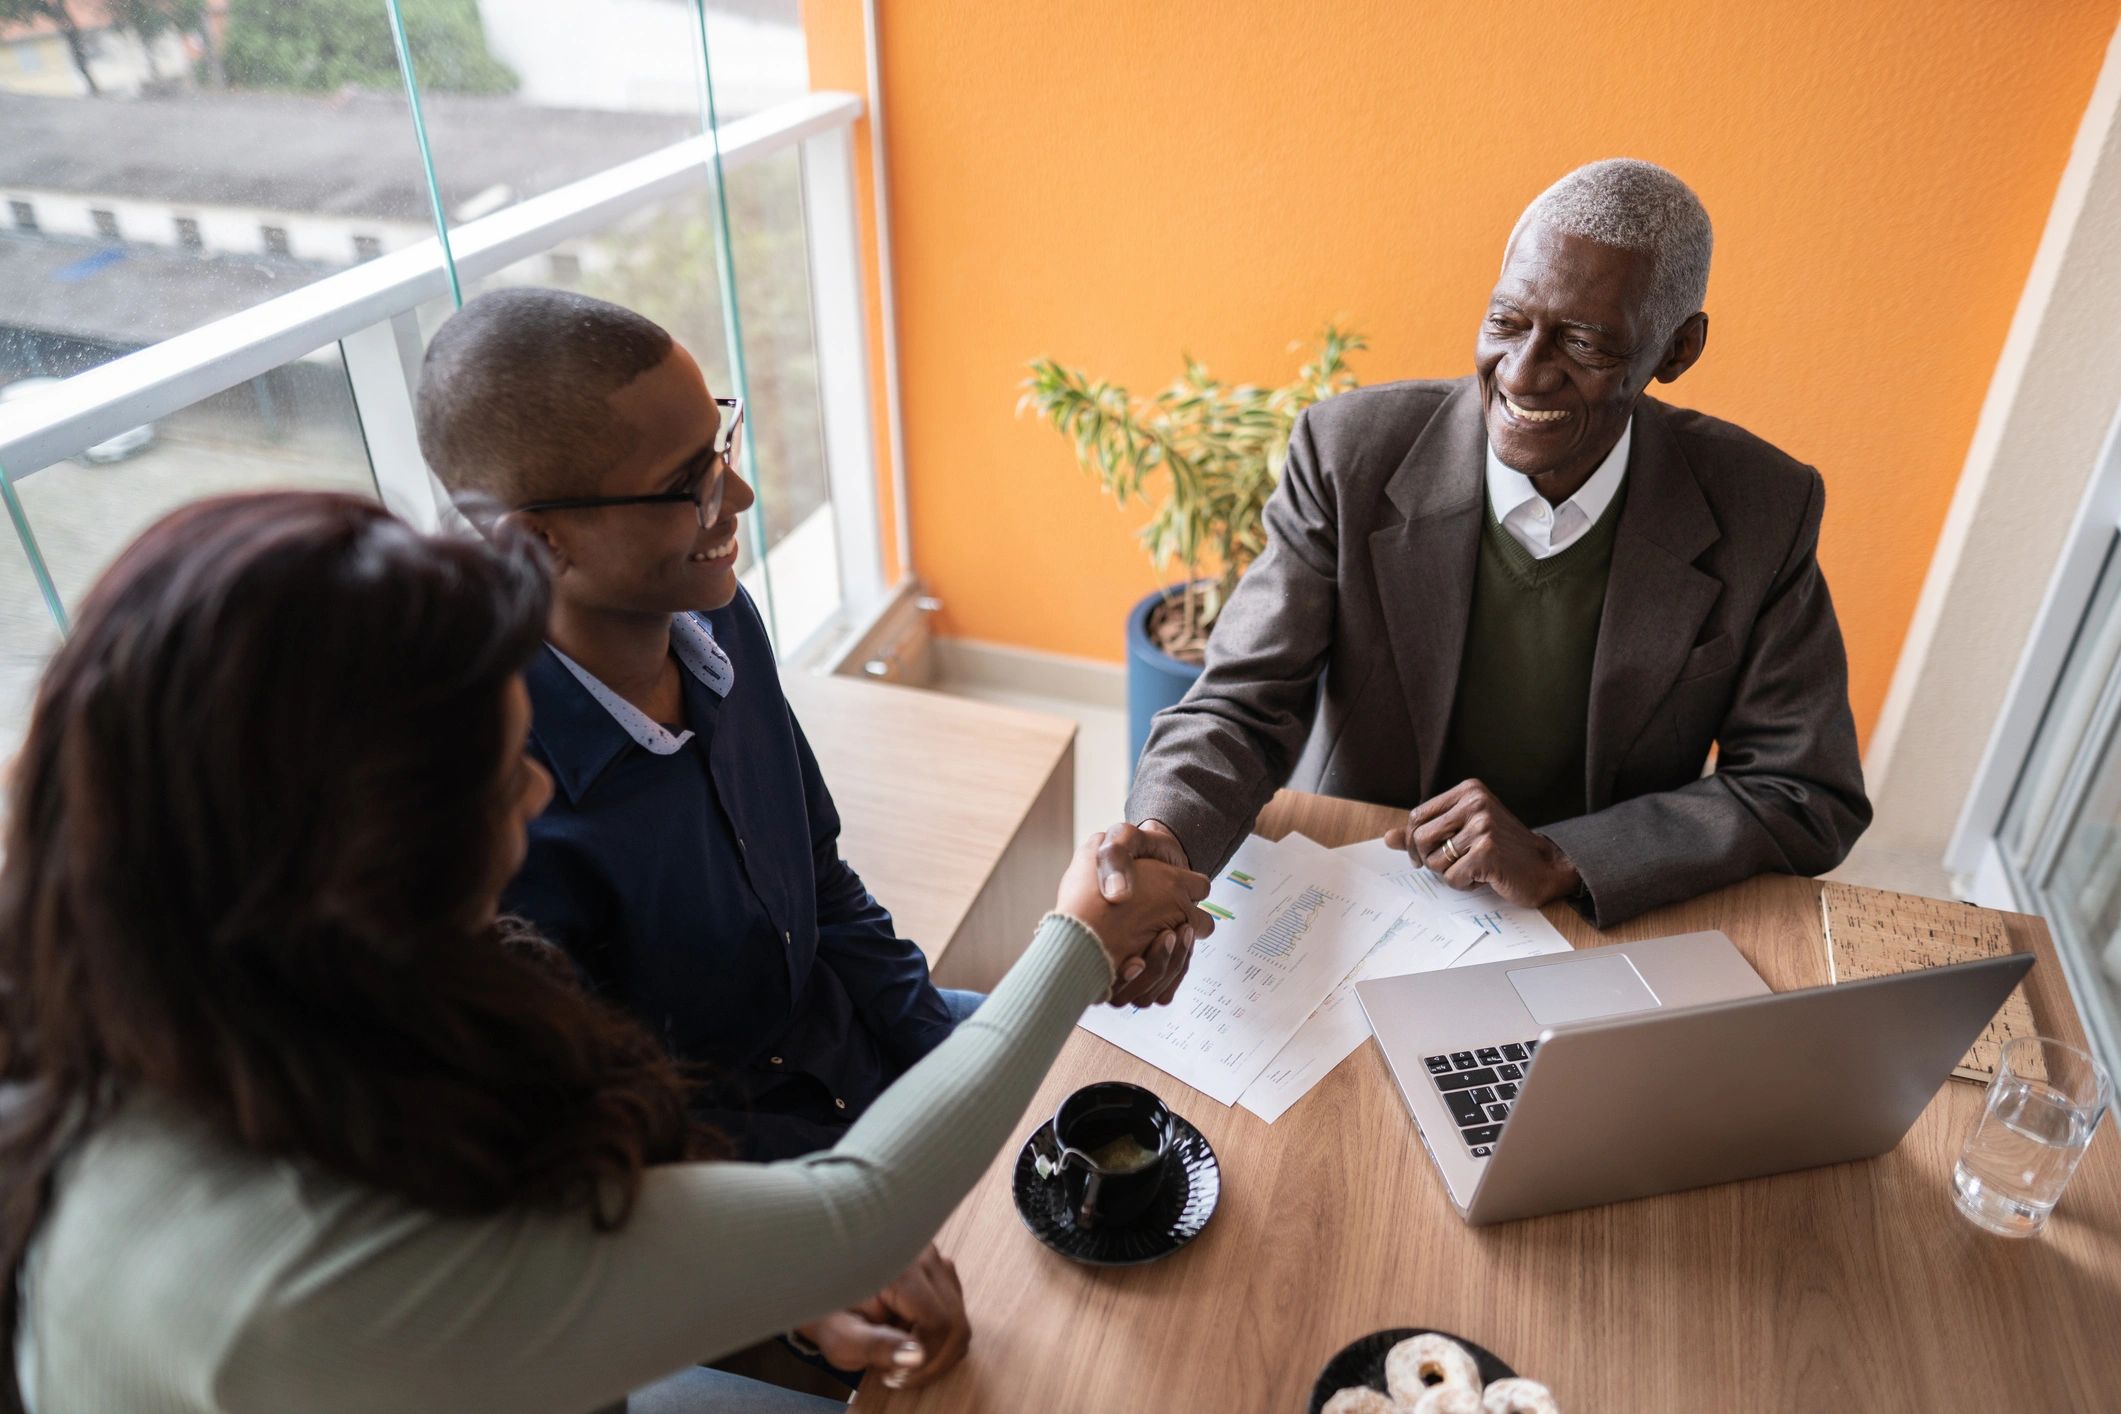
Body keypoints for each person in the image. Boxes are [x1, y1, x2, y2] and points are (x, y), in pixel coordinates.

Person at [0, 492, 1210, 1413]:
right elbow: (857, 1212)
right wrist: (1078, 938)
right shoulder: (286, 1299)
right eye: (499, 771)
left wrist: (763, 1300)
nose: (536, 793)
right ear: (353, 864)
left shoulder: (203, 996)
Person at [414, 289, 1192, 1163]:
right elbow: (620, 1148)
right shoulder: (496, 819)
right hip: (739, 1176)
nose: (738, 493)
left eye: (720, 446)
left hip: (850, 1047)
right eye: (688, 485)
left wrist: (945, 1060)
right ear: (537, 544)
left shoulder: (721, 620)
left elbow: (821, 886)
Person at [1126, 159, 1871, 926]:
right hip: (1354, 877)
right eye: (1507, 322)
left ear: (1675, 352)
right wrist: (1161, 841)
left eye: (1584, 344)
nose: (1521, 375)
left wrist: (1565, 856)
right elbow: (1242, 704)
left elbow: (1805, 790)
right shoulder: (1348, 454)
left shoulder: (1761, 507)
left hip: (1590, 908)